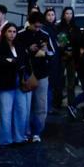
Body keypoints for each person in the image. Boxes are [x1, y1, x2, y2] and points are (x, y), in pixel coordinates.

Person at [0, 22, 30, 146]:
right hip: (5, 82)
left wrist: (11, 61)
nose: (12, 34)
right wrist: (12, 61)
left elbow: (22, 61)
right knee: (5, 112)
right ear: (5, 32)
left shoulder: (19, 46)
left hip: (19, 81)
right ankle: (5, 140)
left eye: (14, 32)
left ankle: (19, 137)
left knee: (21, 110)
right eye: (9, 31)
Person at [17, 12, 54, 142]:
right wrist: (28, 50)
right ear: (30, 23)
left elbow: (53, 52)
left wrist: (45, 52)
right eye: (35, 26)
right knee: (25, 106)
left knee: (41, 105)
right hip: (27, 74)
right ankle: (25, 131)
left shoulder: (45, 35)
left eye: (40, 26)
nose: (38, 28)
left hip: (42, 74)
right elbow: (17, 54)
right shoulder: (21, 35)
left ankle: (37, 132)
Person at [56, 7, 82, 110]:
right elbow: (58, 42)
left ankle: (71, 104)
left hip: (72, 57)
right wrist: (64, 50)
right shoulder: (59, 27)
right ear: (63, 15)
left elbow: (78, 42)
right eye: (66, 13)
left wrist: (73, 52)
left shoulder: (76, 28)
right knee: (60, 81)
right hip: (62, 56)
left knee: (71, 83)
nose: (68, 15)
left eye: (70, 13)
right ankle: (57, 102)